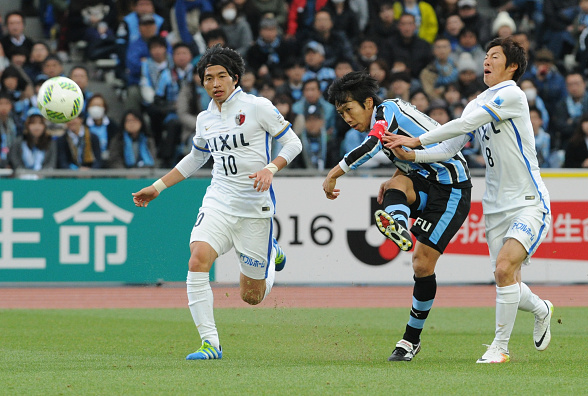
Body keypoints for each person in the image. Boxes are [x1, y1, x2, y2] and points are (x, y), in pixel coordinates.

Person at [384, 37, 554, 364]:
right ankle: (541, 308)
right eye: (486, 56)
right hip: (494, 207)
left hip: (528, 201)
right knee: (507, 280)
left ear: (512, 66)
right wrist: (414, 155)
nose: (486, 61)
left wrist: (417, 137)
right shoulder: (476, 102)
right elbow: (452, 146)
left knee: (504, 269)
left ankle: (500, 348)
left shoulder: (512, 94)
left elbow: (464, 125)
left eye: (494, 56)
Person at [131, 45, 302, 360]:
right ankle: (210, 344)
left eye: (222, 75)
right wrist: (158, 187)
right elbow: (196, 158)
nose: (215, 83)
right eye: (208, 78)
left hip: (254, 207)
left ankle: (271, 250)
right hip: (219, 200)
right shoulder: (204, 119)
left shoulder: (258, 106)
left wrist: (271, 167)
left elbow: (293, 141)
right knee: (197, 259)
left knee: (252, 296)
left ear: (235, 77)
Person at [322, 71, 472, 362]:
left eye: (349, 110)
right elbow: (406, 156)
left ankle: (410, 340)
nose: (347, 119)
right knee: (395, 184)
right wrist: (396, 176)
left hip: (452, 189)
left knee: (421, 263)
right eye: (340, 114)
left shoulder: (387, 110)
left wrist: (334, 173)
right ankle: (400, 226)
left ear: (367, 103)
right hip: (425, 179)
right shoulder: (388, 114)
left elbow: (371, 147)